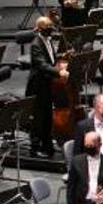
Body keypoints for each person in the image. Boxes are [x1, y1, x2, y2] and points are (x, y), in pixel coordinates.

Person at [26, 16, 69, 157]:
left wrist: (62, 55)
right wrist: (59, 72)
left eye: (51, 26)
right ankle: (35, 148)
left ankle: (47, 144)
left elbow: (51, 58)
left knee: (47, 116)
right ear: (40, 29)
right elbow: (42, 65)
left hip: (47, 83)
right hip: (38, 86)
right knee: (38, 117)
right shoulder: (35, 45)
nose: (51, 29)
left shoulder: (48, 40)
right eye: (48, 27)